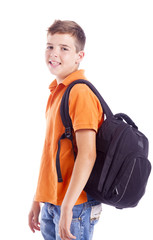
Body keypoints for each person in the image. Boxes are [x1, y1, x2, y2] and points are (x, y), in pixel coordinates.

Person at [28, 20, 103, 240]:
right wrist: (38, 198)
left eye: (64, 48)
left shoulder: (79, 93)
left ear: (80, 56)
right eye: (50, 46)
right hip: (53, 202)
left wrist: (68, 207)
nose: (54, 54)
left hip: (75, 206)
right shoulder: (58, 92)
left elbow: (88, 155)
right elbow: (54, 153)